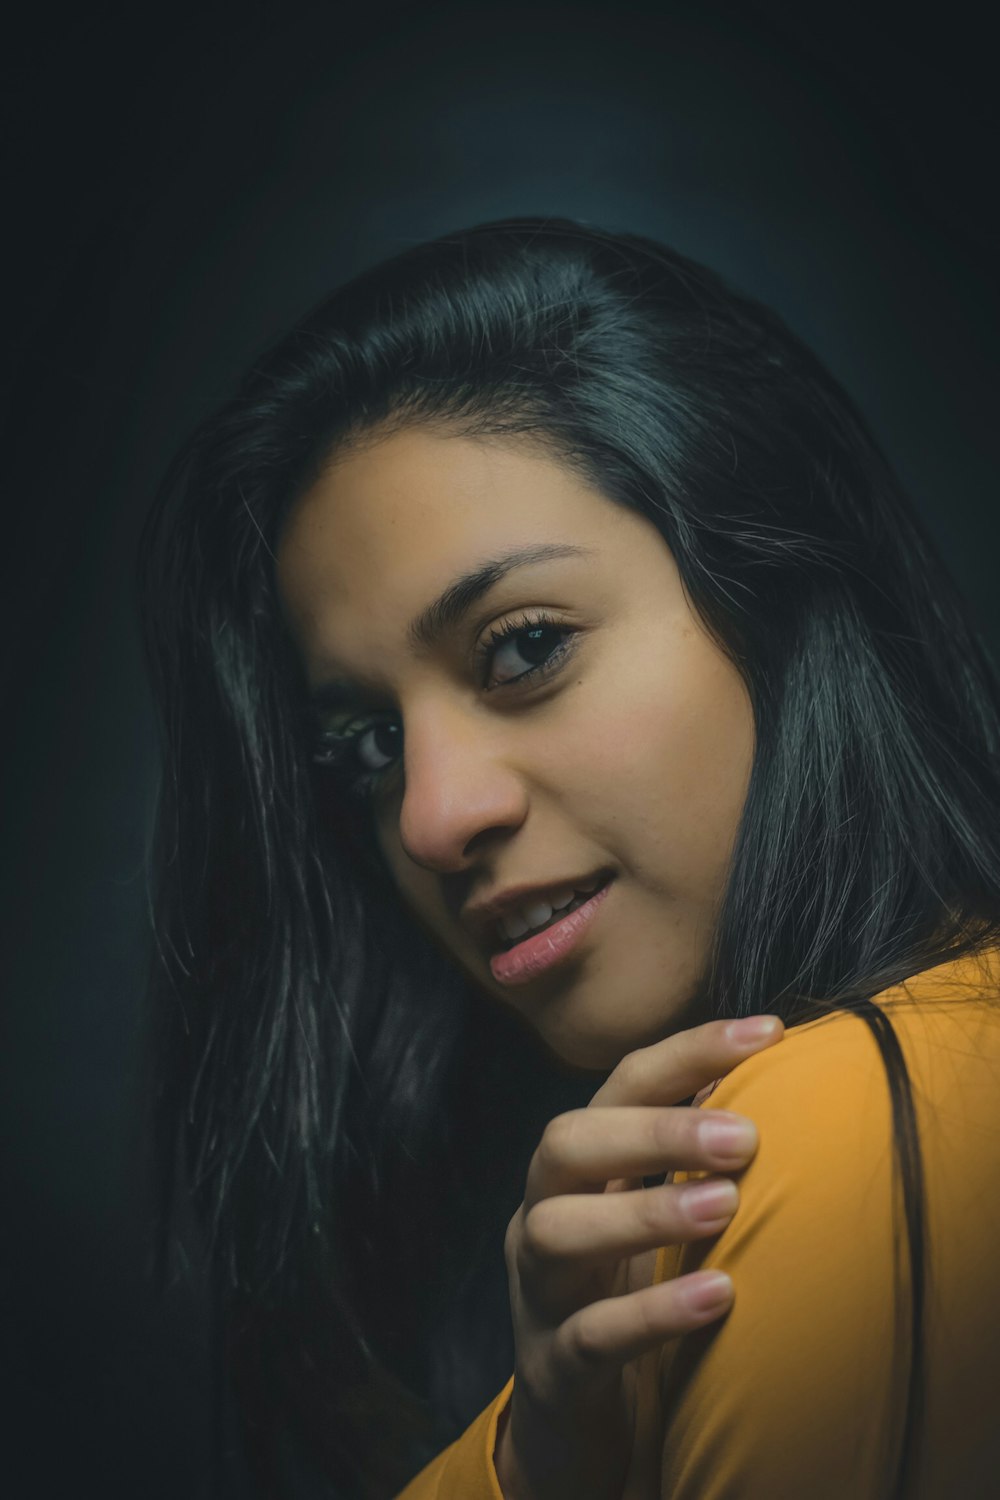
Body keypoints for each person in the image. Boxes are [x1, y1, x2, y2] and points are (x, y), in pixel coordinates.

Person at [136, 217, 1000, 1500]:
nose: (431, 818)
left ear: (776, 591)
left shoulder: (838, 1117)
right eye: (368, 746)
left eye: (524, 646)